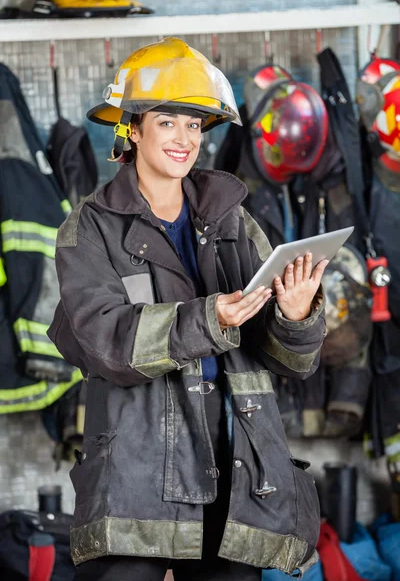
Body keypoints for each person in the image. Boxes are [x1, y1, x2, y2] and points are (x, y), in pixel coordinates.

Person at [48, 37, 328, 581]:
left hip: (238, 466)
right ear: (131, 128)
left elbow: (291, 362)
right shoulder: (90, 229)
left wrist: (295, 316)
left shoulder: (232, 219)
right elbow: (108, 343)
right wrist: (211, 319)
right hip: (136, 473)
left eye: (195, 125)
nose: (184, 139)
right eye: (168, 122)